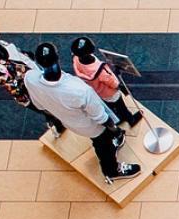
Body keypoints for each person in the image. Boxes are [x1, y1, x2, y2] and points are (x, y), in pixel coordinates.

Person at [22, 43, 141, 182]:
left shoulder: (29, 78)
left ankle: (112, 146)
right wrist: (115, 130)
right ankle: (112, 170)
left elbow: (40, 105)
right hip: (92, 126)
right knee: (103, 144)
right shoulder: (79, 90)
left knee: (101, 140)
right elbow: (101, 117)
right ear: (58, 57)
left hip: (70, 122)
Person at [0, 25, 64, 136]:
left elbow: (16, 54)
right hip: (27, 88)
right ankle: (56, 120)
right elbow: (12, 83)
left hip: (30, 75)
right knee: (44, 107)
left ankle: (55, 114)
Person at [70, 37, 143, 128]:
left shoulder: (76, 60)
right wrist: (120, 86)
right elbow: (110, 81)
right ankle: (130, 119)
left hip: (98, 91)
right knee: (121, 106)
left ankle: (116, 117)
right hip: (110, 92)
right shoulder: (99, 70)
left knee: (111, 105)